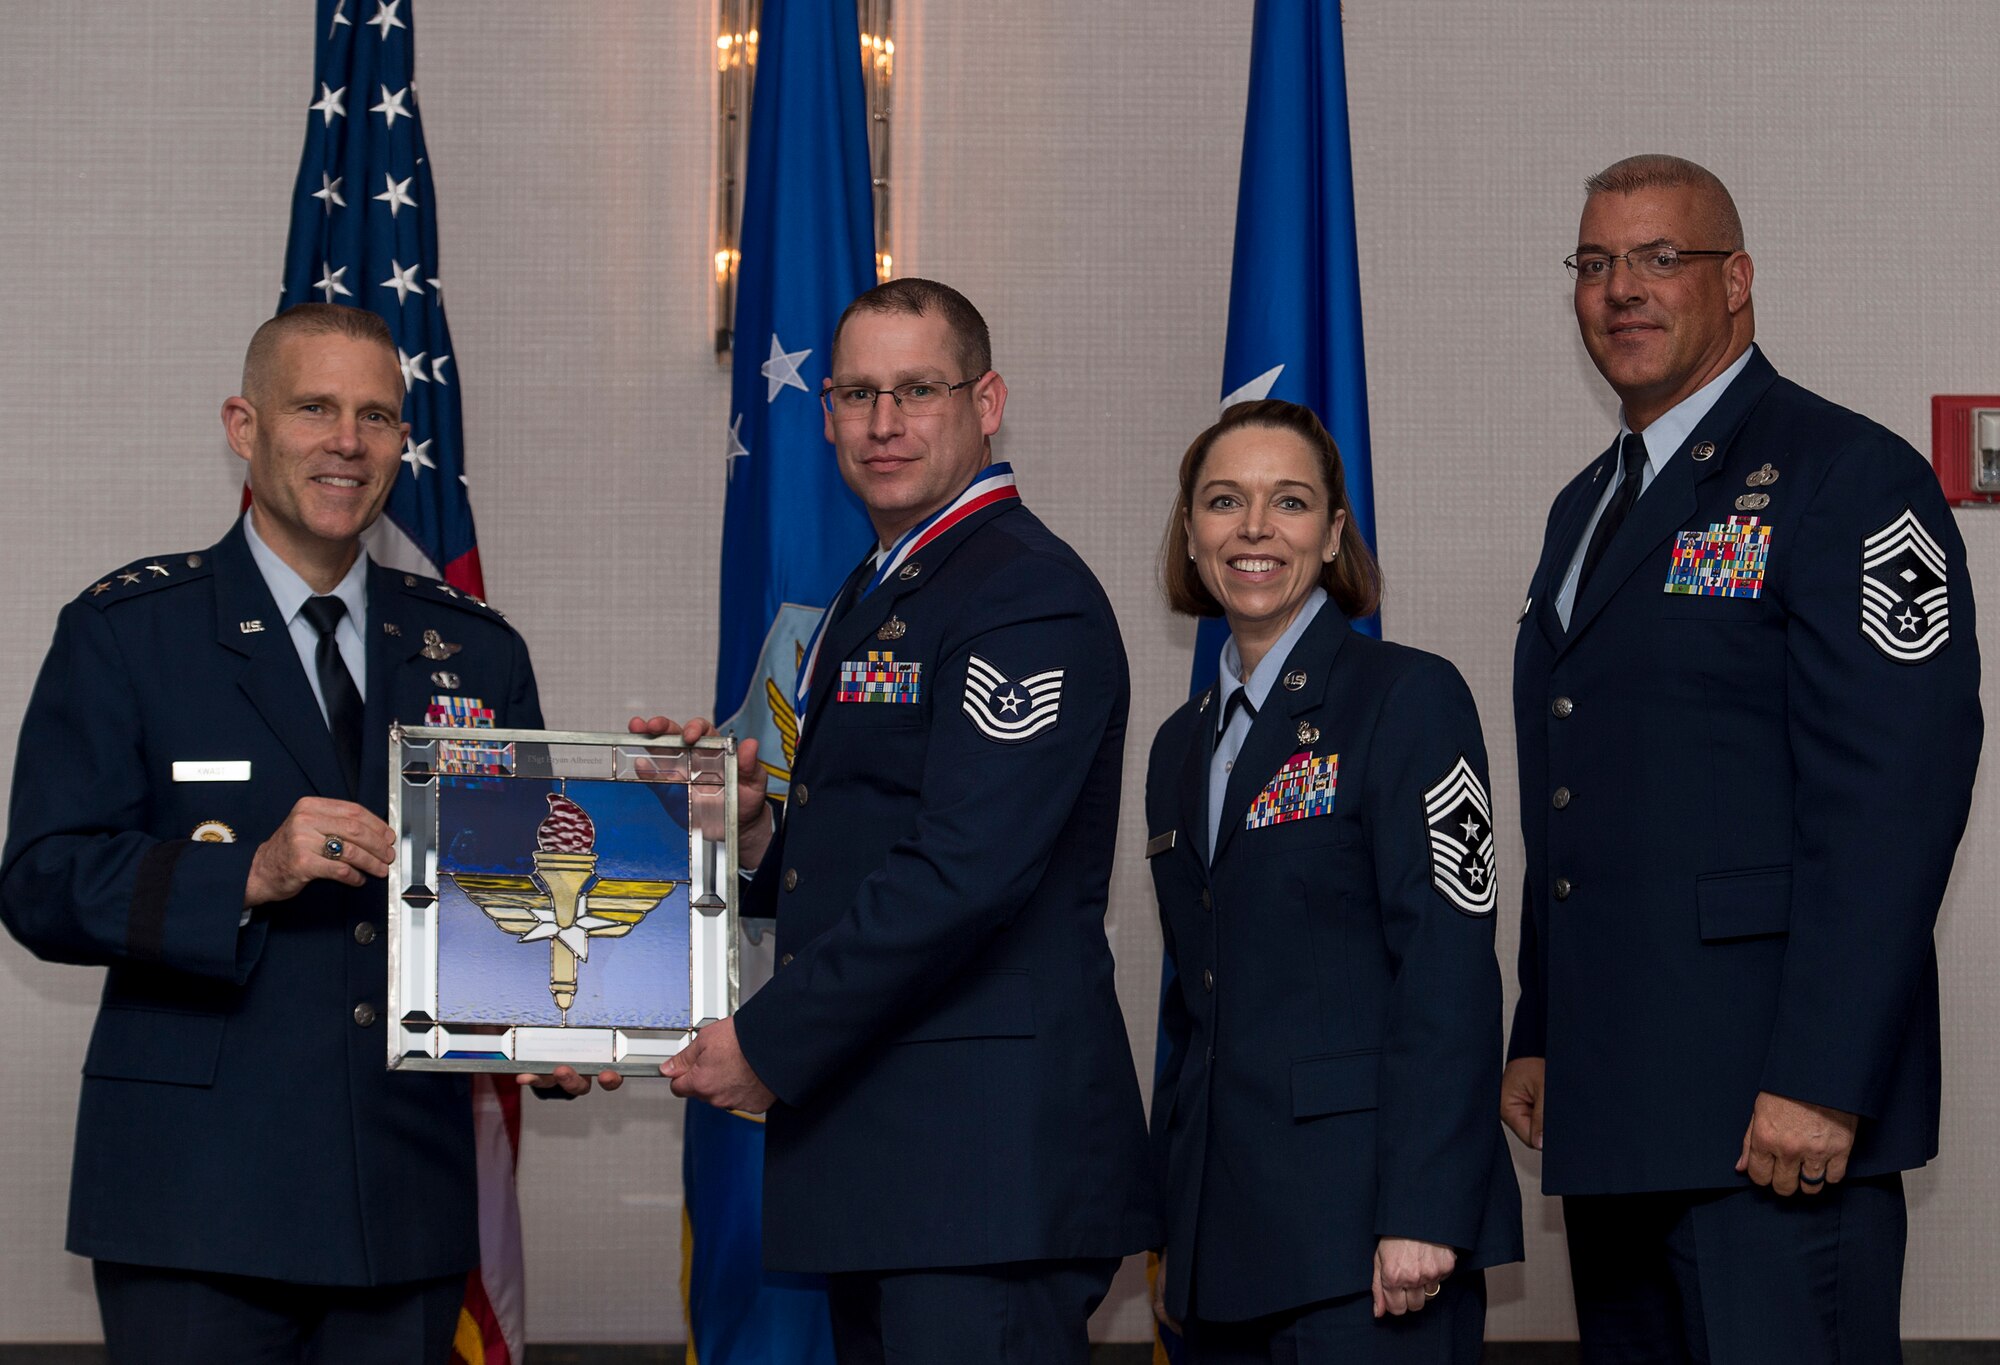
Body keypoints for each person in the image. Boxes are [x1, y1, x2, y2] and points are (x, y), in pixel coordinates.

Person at [0, 303, 583, 1365]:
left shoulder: (474, 651)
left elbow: (507, 887)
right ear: (244, 423)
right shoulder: (130, 632)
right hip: (195, 1198)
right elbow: (42, 882)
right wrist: (247, 872)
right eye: (314, 408)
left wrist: (563, 1020)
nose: (347, 443)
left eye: (377, 416)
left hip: (401, 1191)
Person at [1503, 155, 1983, 1362]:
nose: (1622, 290)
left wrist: (1823, 1076)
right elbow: (1576, 794)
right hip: (1618, 1113)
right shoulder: (1583, 508)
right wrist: (1541, 1025)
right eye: (1595, 262)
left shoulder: (1845, 476)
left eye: (1659, 259)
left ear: (1735, 281)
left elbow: (1892, 796)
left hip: (1769, 1123)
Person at [639, 278, 1159, 1365]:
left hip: (977, 1175)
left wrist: (768, 1046)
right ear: (824, 412)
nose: (883, 424)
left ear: (987, 401)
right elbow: (866, 850)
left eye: (917, 390)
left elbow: (965, 872)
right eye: (857, 393)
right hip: (897, 1166)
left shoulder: (1024, 594)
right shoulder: (880, 590)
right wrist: (746, 837)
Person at [1144, 399, 1522, 1363]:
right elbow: (1194, 1005)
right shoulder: (1179, 745)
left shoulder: (1407, 697)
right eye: (1225, 501)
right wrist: (1168, 1230)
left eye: (1291, 502)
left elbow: (1449, 965)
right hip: (1217, 1247)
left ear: (1335, 531)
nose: (1256, 528)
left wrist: (1426, 1211)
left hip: (1370, 1244)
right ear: (1191, 534)